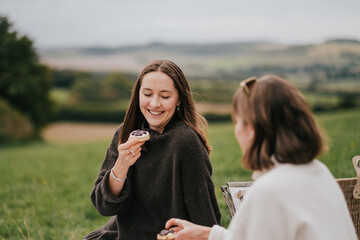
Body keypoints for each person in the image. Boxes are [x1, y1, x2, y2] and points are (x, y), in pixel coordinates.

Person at [165, 75, 357, 240]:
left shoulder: (270, 190)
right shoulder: (318, 171)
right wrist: (207, 234)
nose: (236, 129)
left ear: (252, 129)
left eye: (237, 121)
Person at [84, 60, 221, 240]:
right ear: (138, 94)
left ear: (179, 99)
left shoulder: (185, 141)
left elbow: (204, 214)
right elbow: (104, 206)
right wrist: (121, 164)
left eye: (165, 96)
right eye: (147, 94)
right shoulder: (125, 133)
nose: (154, 103)